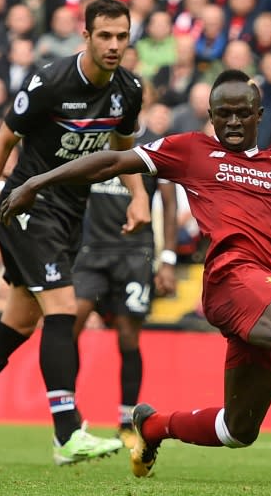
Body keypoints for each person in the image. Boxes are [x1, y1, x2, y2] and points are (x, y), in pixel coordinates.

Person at [0, 70, 271, 478]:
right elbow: (115, 160)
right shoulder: (192, 151)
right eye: (222, 114)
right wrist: (38, 181)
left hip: (264, 292)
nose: (231, 122)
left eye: (241, 114)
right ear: (209, 114)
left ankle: (152, 426)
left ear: (259, 114)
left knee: (238, 429)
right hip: (231, 278)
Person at [0, 0, 150, 466]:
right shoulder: (50, 81)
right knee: (62, 307)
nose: (113, 45)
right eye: (104, 35)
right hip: (27, 204)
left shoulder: (129, 89)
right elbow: (3, 141)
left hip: (69, 215)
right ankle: (67, 432)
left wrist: (140, 196)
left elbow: (122, 148)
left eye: (121, 37)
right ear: (85, 36)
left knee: (17, 325)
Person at [72, 175, 178, 449]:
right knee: (68, 325)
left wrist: (167, 259)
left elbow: (169, 204)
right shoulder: (93, 139)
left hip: (134, 252)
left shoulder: (151, 149)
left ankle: (125, 422)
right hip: (91, 250)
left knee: (128, 338)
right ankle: (68, 415)